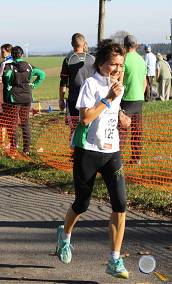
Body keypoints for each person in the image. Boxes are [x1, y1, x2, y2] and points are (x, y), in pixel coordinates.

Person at [55, 40, 131, 279]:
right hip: (87, 150)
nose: (117, 69)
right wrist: (108, 98)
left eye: (120, 65)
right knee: (82, 204)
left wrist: (121, 114)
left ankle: (114, 260)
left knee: (120, 205)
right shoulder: (91, 84)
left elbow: (111, 109)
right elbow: (86, 118)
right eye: (112, 65)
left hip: (112, 152)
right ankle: (64, 236)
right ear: (101, 63)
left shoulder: (117, 83)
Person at [2, 46, 46, 156]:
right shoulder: (29, 66)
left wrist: (9, 86)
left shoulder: (9, 66)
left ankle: (14, 148)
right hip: (27, 98)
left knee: (13, 123)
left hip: (14, 99)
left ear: (12, 55)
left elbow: (7, 77)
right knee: (25, 122)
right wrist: (33, 85)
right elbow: (42, 74)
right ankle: (26, 149)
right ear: (22, 54)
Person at [59, 33, 95, 130]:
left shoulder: (68, 60)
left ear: (72, 44)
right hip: (90, 101)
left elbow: (63, 82)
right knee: (90, 129)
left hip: (74, 101)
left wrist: (61, 99)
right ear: (84, 44)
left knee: (74, 129)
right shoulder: (93, 59)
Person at [120, 35, 147, 164]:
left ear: (125, 45)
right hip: (139, 99)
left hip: (126, 98)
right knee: (137, 130)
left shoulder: (124, 59)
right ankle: (137, 158)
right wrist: (140, 94)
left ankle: (117, 158)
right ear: (136, 45)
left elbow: (120, 79)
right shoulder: (141, 60)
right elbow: (145, 82)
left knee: (122, 129)